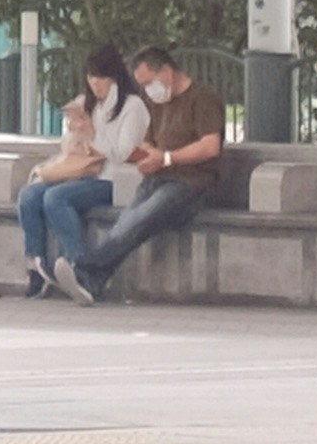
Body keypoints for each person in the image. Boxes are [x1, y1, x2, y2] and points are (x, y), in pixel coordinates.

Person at [70, 42, 228, 299]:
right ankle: (92, 281)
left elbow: (210, 146)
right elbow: (148, 141)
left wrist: (167, 158)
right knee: (126, 222)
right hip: (157, 177)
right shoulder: (154, 103)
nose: (146, 90)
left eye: (148, 82)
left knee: (138, 218)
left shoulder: (203, 99)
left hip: (192, 183)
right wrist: (143, 155)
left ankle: (85, 267)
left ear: (166, 72)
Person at [14, 44, 146, 304]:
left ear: (115, 78)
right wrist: (75, 132)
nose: (96, 85)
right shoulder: (89, 104)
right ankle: (37, 267)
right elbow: (72, 152)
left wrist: (94, 133)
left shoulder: (133, 106)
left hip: (114, 179)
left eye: (102, 79)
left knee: (56, 198)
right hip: (85, 173)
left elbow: (123, 154)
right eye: (91, 78)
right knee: (30, 196)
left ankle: (79, 266)